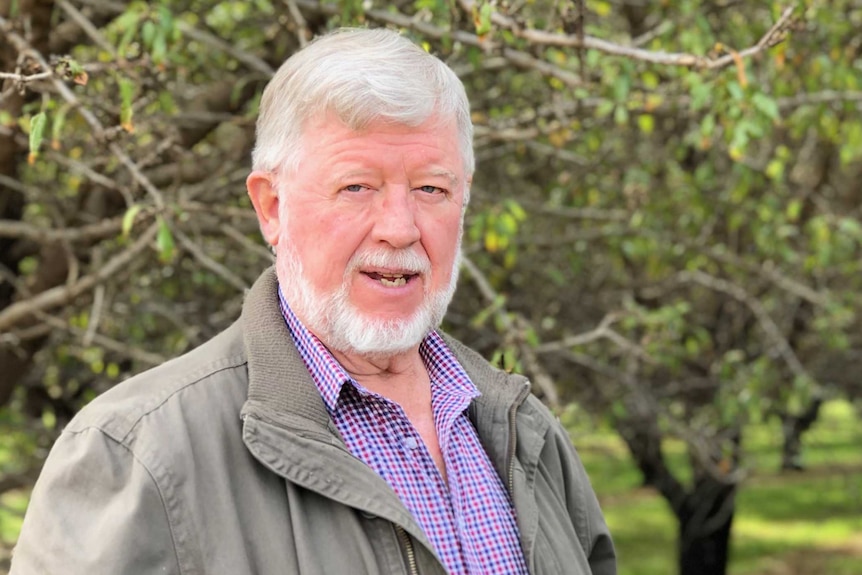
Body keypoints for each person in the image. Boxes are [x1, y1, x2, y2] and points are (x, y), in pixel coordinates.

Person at [11, 27, 616, 575]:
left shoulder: (524, 432)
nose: (400, 229)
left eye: (432, 188)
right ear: (271, 206)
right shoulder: (135, 456)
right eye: (357, 187)